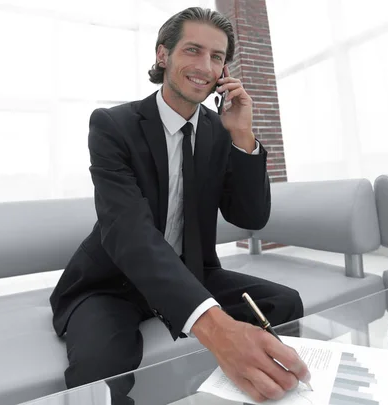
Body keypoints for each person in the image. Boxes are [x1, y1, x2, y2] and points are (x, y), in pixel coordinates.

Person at [49, 6, 310, 404]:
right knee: (98, 371)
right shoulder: (112, 125)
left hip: (191, 270)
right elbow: (128, 231)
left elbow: (250, 217)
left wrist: (242, 136)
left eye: (217, 56)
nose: (205, 65)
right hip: (112, 282)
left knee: (285, 303)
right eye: (193, 50)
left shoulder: (219, 132)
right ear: (162, 55)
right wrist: (214, 325)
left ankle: (270, 390)